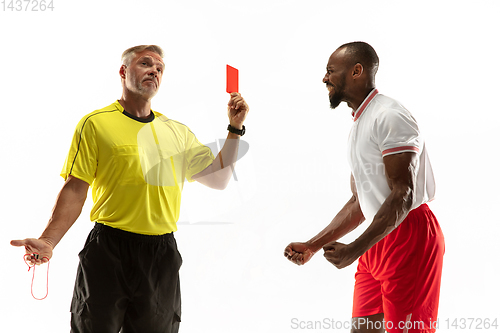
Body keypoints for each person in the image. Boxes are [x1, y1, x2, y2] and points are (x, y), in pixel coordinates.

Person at [11, 44, 249, 333]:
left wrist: (234, 129)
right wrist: (48, 241)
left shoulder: (177, 132)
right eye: (145, 64)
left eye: (160, 68)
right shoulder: (96, 124)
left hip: (160, 255)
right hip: (108, 249)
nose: (154, 71)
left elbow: (219, 179)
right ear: (123, 72)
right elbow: (75, 188)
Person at [284, 42, 444, 333]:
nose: (325, 78)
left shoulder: (390, 116)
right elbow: (360, 201)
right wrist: (313, 245)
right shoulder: (360, 122)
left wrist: (354, 249)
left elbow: (403, 195)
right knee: (363, 330)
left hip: (410, 234)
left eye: (331, 71)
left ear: (357, 71)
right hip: (379, 233)